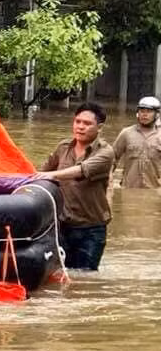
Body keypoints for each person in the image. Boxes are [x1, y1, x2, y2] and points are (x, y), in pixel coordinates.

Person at [36, 102, 114, 270]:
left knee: (85, 278)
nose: (80, 127)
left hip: (91, 229)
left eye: (87, 124)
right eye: (77, 121)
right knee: (59, 275)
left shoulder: (105, 152)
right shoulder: (63, 148)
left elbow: (81, 170)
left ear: (99, 127)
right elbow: (39, 174)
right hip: (62, 226)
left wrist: (52, 175)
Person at [112, 96, 161, 188]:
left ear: (157, 114)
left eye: (149, 111)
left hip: (155, 191)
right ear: (137, 113)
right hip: (129, 189)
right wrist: (108, 181)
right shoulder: (126, 133)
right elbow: (112, 159)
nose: (144, 114)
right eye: (142, 111)